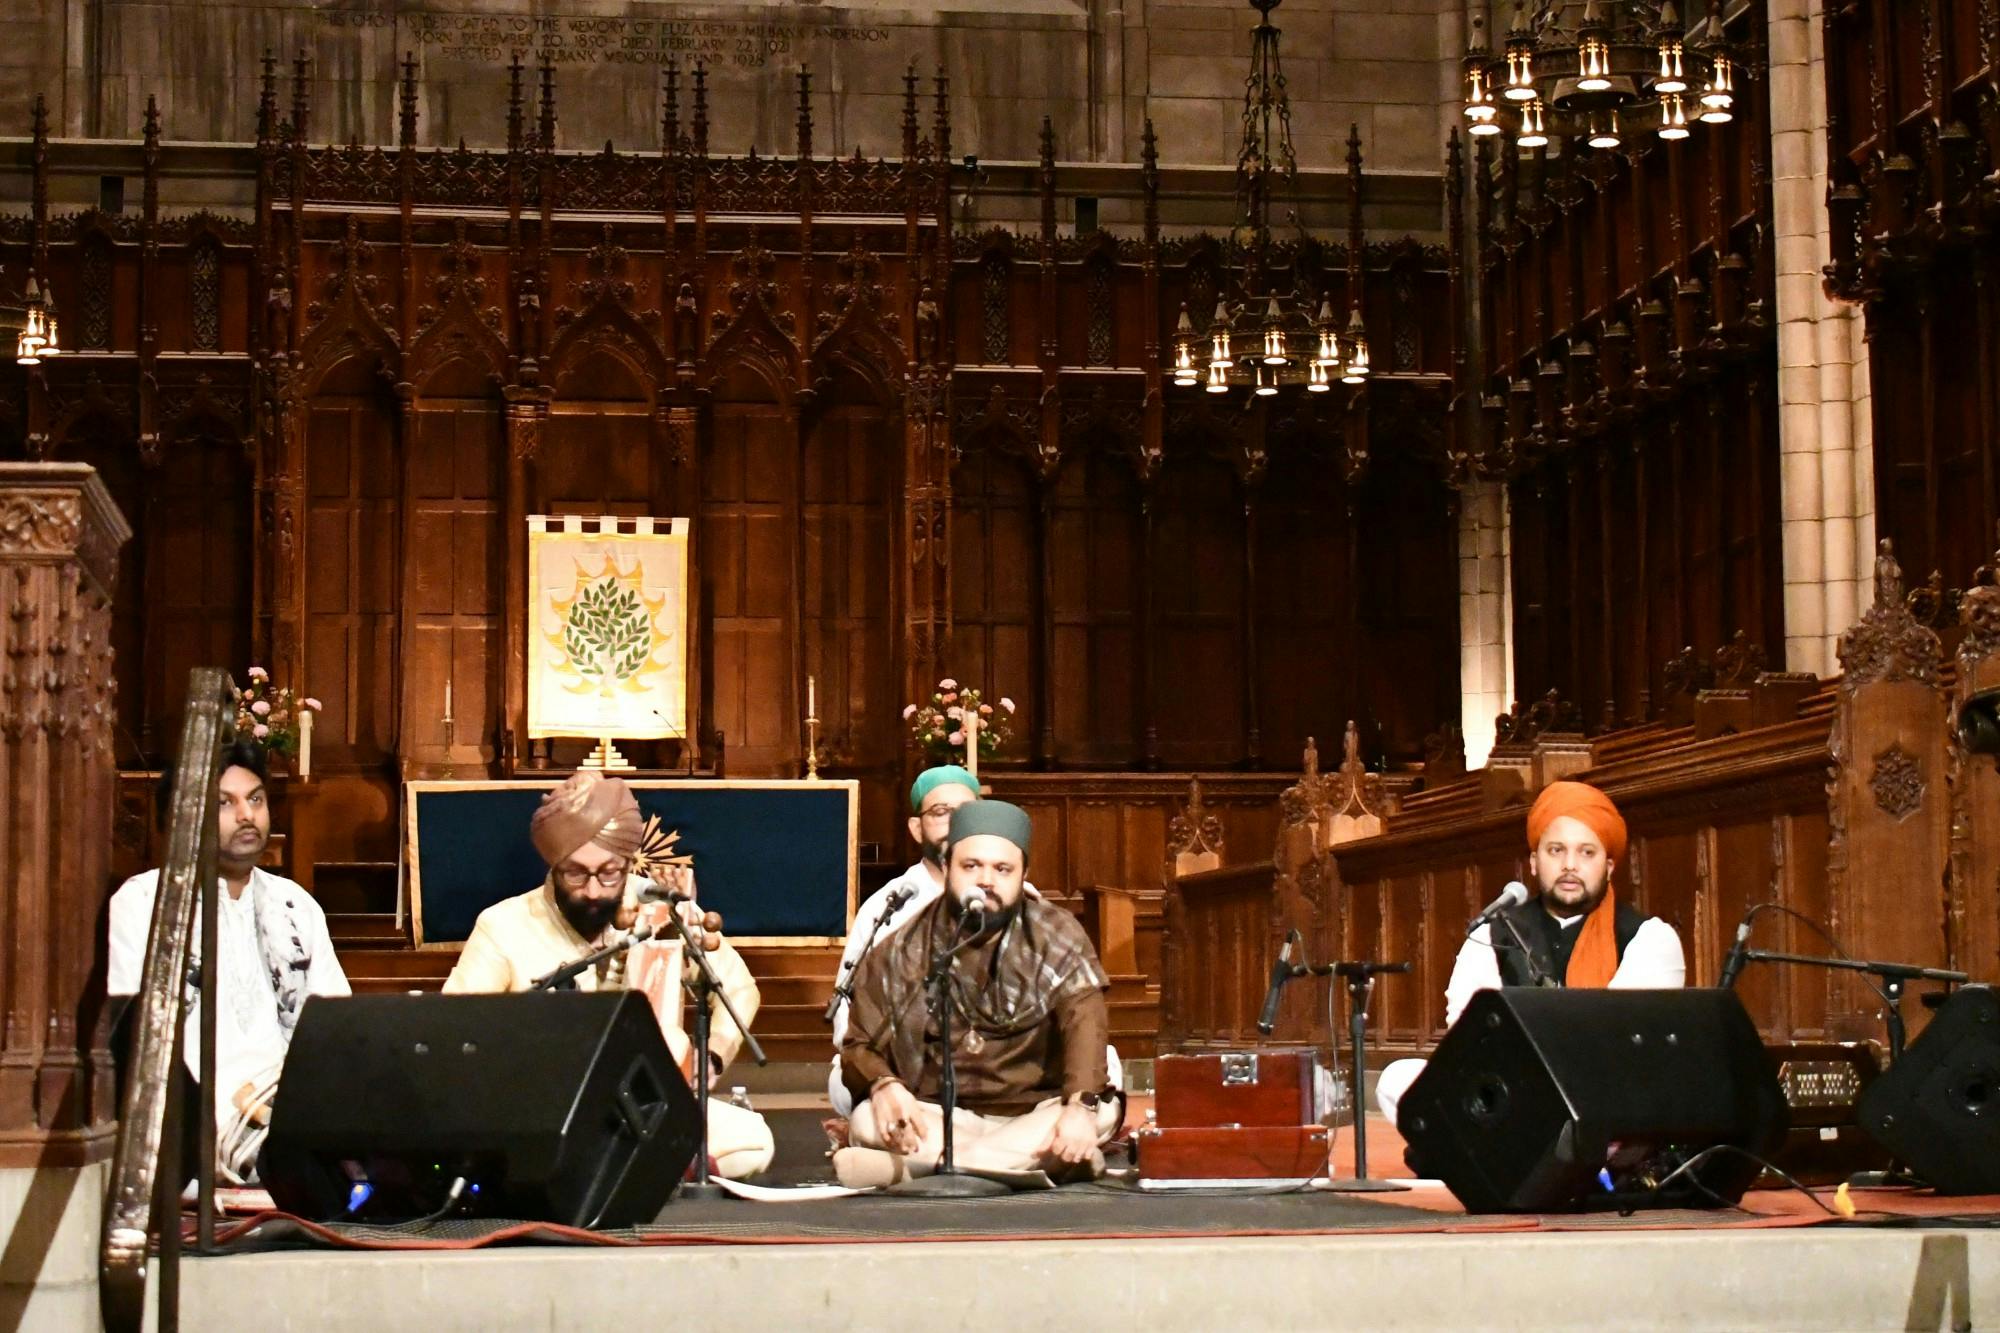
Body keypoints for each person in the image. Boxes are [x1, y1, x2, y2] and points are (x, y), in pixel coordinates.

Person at [442, 769, 774, 1180]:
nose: (595, 890)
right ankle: (643, 1168)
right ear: (554, 864)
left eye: (609, 873)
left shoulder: (660, 908)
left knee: (753, 1142)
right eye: (576, 873)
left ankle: (616, 1165)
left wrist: (713, 1057)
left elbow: (738, 988)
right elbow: (453, 1025)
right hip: (543, 1107)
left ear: (627, 863)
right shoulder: (504, 925)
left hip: (641, 1104)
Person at [834, 801, 1121, 1188]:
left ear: (1023, 876)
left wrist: (1080, 1108)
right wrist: (884, 1085)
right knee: (869, 1118)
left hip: (1034, 1113)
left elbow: (1086, 1029)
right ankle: (1031, 1168)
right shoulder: (903, 947)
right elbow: (858, 1045)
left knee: (1096, 1113)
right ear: (947, 867)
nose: (986, 880)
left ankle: (925, 1170)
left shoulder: (1058, 937)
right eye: (971, 866)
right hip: (940, 1116)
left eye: (1002, 869)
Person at [107, 740, 351, 1184]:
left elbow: (336, 1026)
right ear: (184, 818)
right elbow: (134, 1035)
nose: (247, 815)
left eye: (255, 799)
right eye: (224, 803)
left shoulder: (295, 905)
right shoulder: (144, 901)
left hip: (291, 1106)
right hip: (194, 1117)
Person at [1376, 780, 1686, 1126]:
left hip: (1600, 1100)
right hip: (1511, 1093)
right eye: (1556, 850)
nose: (1570, 865)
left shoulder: (1649, 938)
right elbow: (1465, 1036)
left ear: (1609, 866)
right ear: (1534, 862)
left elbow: (1626, 1044)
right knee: (1398, 1079)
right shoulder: (1492, 933)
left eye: (1587, 852)